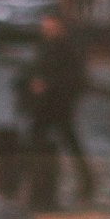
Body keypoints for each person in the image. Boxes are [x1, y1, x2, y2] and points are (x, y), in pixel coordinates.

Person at [13, 13, 96, 208]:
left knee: (65, 142)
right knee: (39, 140)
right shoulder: (46, 43)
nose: (45, 27)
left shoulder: (68, 46)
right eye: (44, 23)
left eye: (49, 23)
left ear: (59, 24)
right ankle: (32, 182)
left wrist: (47, 84)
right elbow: (37, 67)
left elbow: (74, 77)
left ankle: (85, 182)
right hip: (45, 105)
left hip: (59, 104)